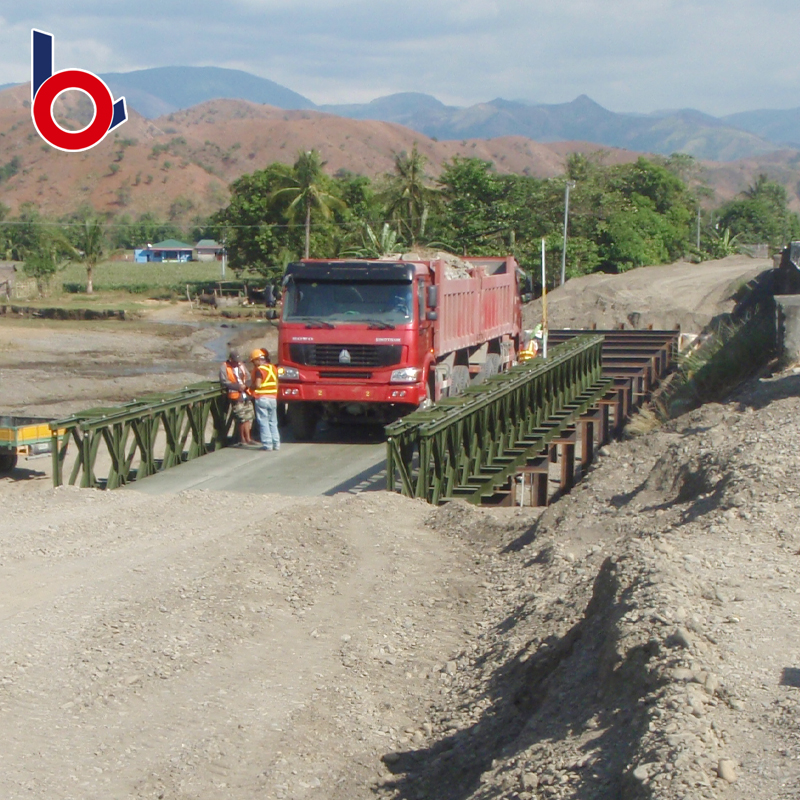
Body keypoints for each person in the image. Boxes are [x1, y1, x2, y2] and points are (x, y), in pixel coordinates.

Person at [219, 350, 254, 444]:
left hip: (246, 394)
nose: (237, 363)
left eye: (238, 360)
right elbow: (224, 381)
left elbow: (249, 377)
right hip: (235, 395)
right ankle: (242, 439)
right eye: (235, 361)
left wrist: (246, 385)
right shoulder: (224, 367)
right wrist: (238, 387)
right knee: (240, 418)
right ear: (230, 359)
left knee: (248, 417)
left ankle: (248, 438)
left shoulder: (241, 365)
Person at [250, 348, 280, 452]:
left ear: (258, 359)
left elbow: (258, 384)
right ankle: (276, 444)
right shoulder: (273, 368)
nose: (254, 363)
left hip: (262, 398)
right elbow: (276, 383)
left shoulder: (260, 370)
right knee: (273, 422)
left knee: (264, 421)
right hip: (273, 398)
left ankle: (268, 445)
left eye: (254, 361)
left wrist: (251, 387)